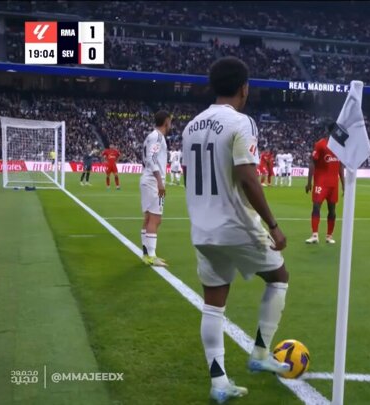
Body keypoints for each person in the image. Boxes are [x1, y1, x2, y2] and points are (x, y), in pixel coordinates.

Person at [182, 56, 291, 402]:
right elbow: (247, 176)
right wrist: (273, 225)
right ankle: (260, 354)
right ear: (244, 89)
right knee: (279, 277)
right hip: (236, 225)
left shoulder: (189, 127)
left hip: (203, 230)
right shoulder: (241, 123)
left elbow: (187, 177)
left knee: (214, 305)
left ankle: (219, 383)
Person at [140, 111, 171, 267]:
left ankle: (146, 255)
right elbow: (152, 159)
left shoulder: (150, 136)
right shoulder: (158, 137)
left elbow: (145, 158)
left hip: (147, 178)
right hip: (153, 181)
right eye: (170, 121)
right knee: (155, 219)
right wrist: (159, 181)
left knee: (148, 218)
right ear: (166, 122)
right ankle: (151, 256)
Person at [305, 123, 345, 244]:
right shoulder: (320, 144)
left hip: (334, 184)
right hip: (321, 182)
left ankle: (329, 236)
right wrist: (309, 182)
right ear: (330, 131)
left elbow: (340, 166)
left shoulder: (340, 146)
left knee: (332, 210)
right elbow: (312, 162)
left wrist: (344, 184)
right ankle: (315, 235)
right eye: (336, 131)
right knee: (316, 206)